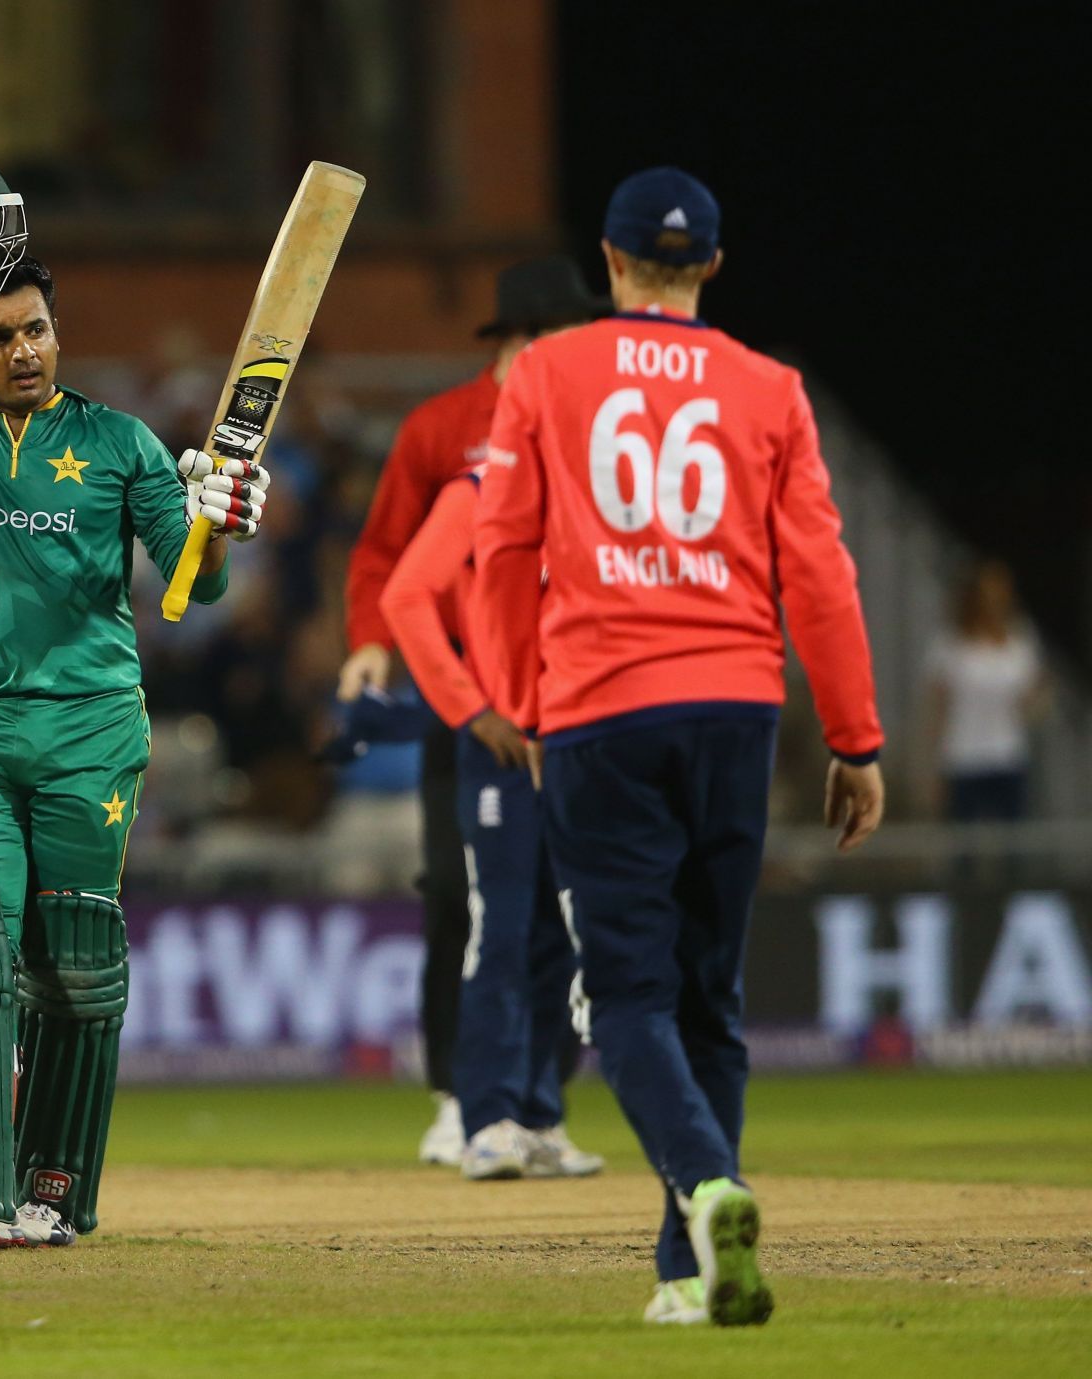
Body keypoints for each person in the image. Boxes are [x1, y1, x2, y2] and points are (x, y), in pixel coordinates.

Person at [471, 167, 886, 1326]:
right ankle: (690, 1268)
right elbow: (820, 573)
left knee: (634, 998)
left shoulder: (549, 371)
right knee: (713, 998)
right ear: (710, 265)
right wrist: (854, 737)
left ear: (608, 263)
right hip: (736, 708)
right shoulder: (772, 389)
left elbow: (501, 552)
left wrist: (521, 703)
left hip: (604, 704)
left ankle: (709, 1191)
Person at [0, 151, 266, 1250]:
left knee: (75, 976)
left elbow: (196, 586)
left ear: (56, 334)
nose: (21, 352)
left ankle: (54, 1190)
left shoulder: (121, 443)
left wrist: (215, 510)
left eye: (34, 331)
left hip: (88, 730)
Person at [339, 257, 604, 1165]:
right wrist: (373, 640)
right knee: (463, 898)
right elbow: (387, 559)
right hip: (467, 699)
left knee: (555, 915)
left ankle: (538, 1102)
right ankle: (464, 1094)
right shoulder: (445, 432)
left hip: (561, 710)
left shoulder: (586, 433)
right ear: (527, 341)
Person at [380, 463, 603, 1183]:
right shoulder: (477, 491)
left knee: (558, 938)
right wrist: (471, 709)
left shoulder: (591, 488)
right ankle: (486, 1119)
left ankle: (539, 1116)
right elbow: (407, 595)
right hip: (502, 753)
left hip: (573, 743)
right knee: (501, 930)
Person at [925, 560, 1048, 821]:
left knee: (1013, 845)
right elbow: (938, 708)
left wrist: (1038, 701)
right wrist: (932, 766)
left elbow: (1034, 693)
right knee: (963, 847)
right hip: (963, 757)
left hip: (1007, 754)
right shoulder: (951, 643)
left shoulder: (1021, 639)